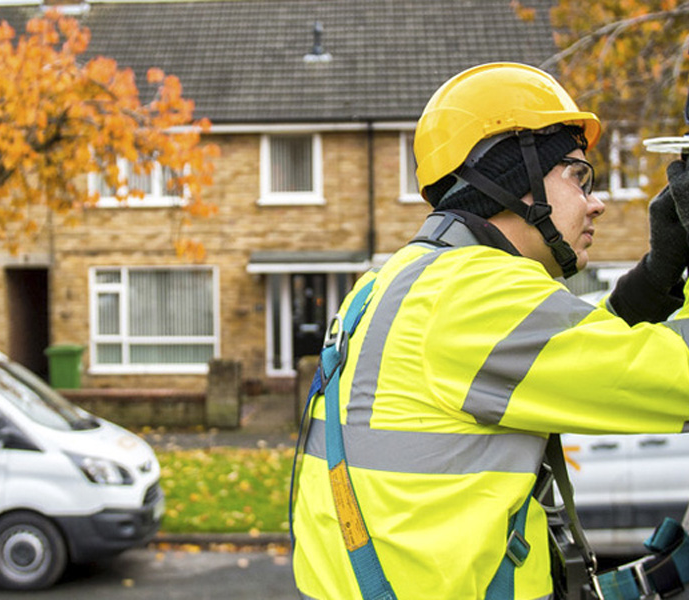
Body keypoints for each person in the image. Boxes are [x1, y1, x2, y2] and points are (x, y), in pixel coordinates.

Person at [290, 62, 689, 600]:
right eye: (578, 175)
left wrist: (659, 276)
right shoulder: (477, 296)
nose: (595, 201)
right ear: (515, 179)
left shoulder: (397, 281)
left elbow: (574, 350)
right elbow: (676, 379)